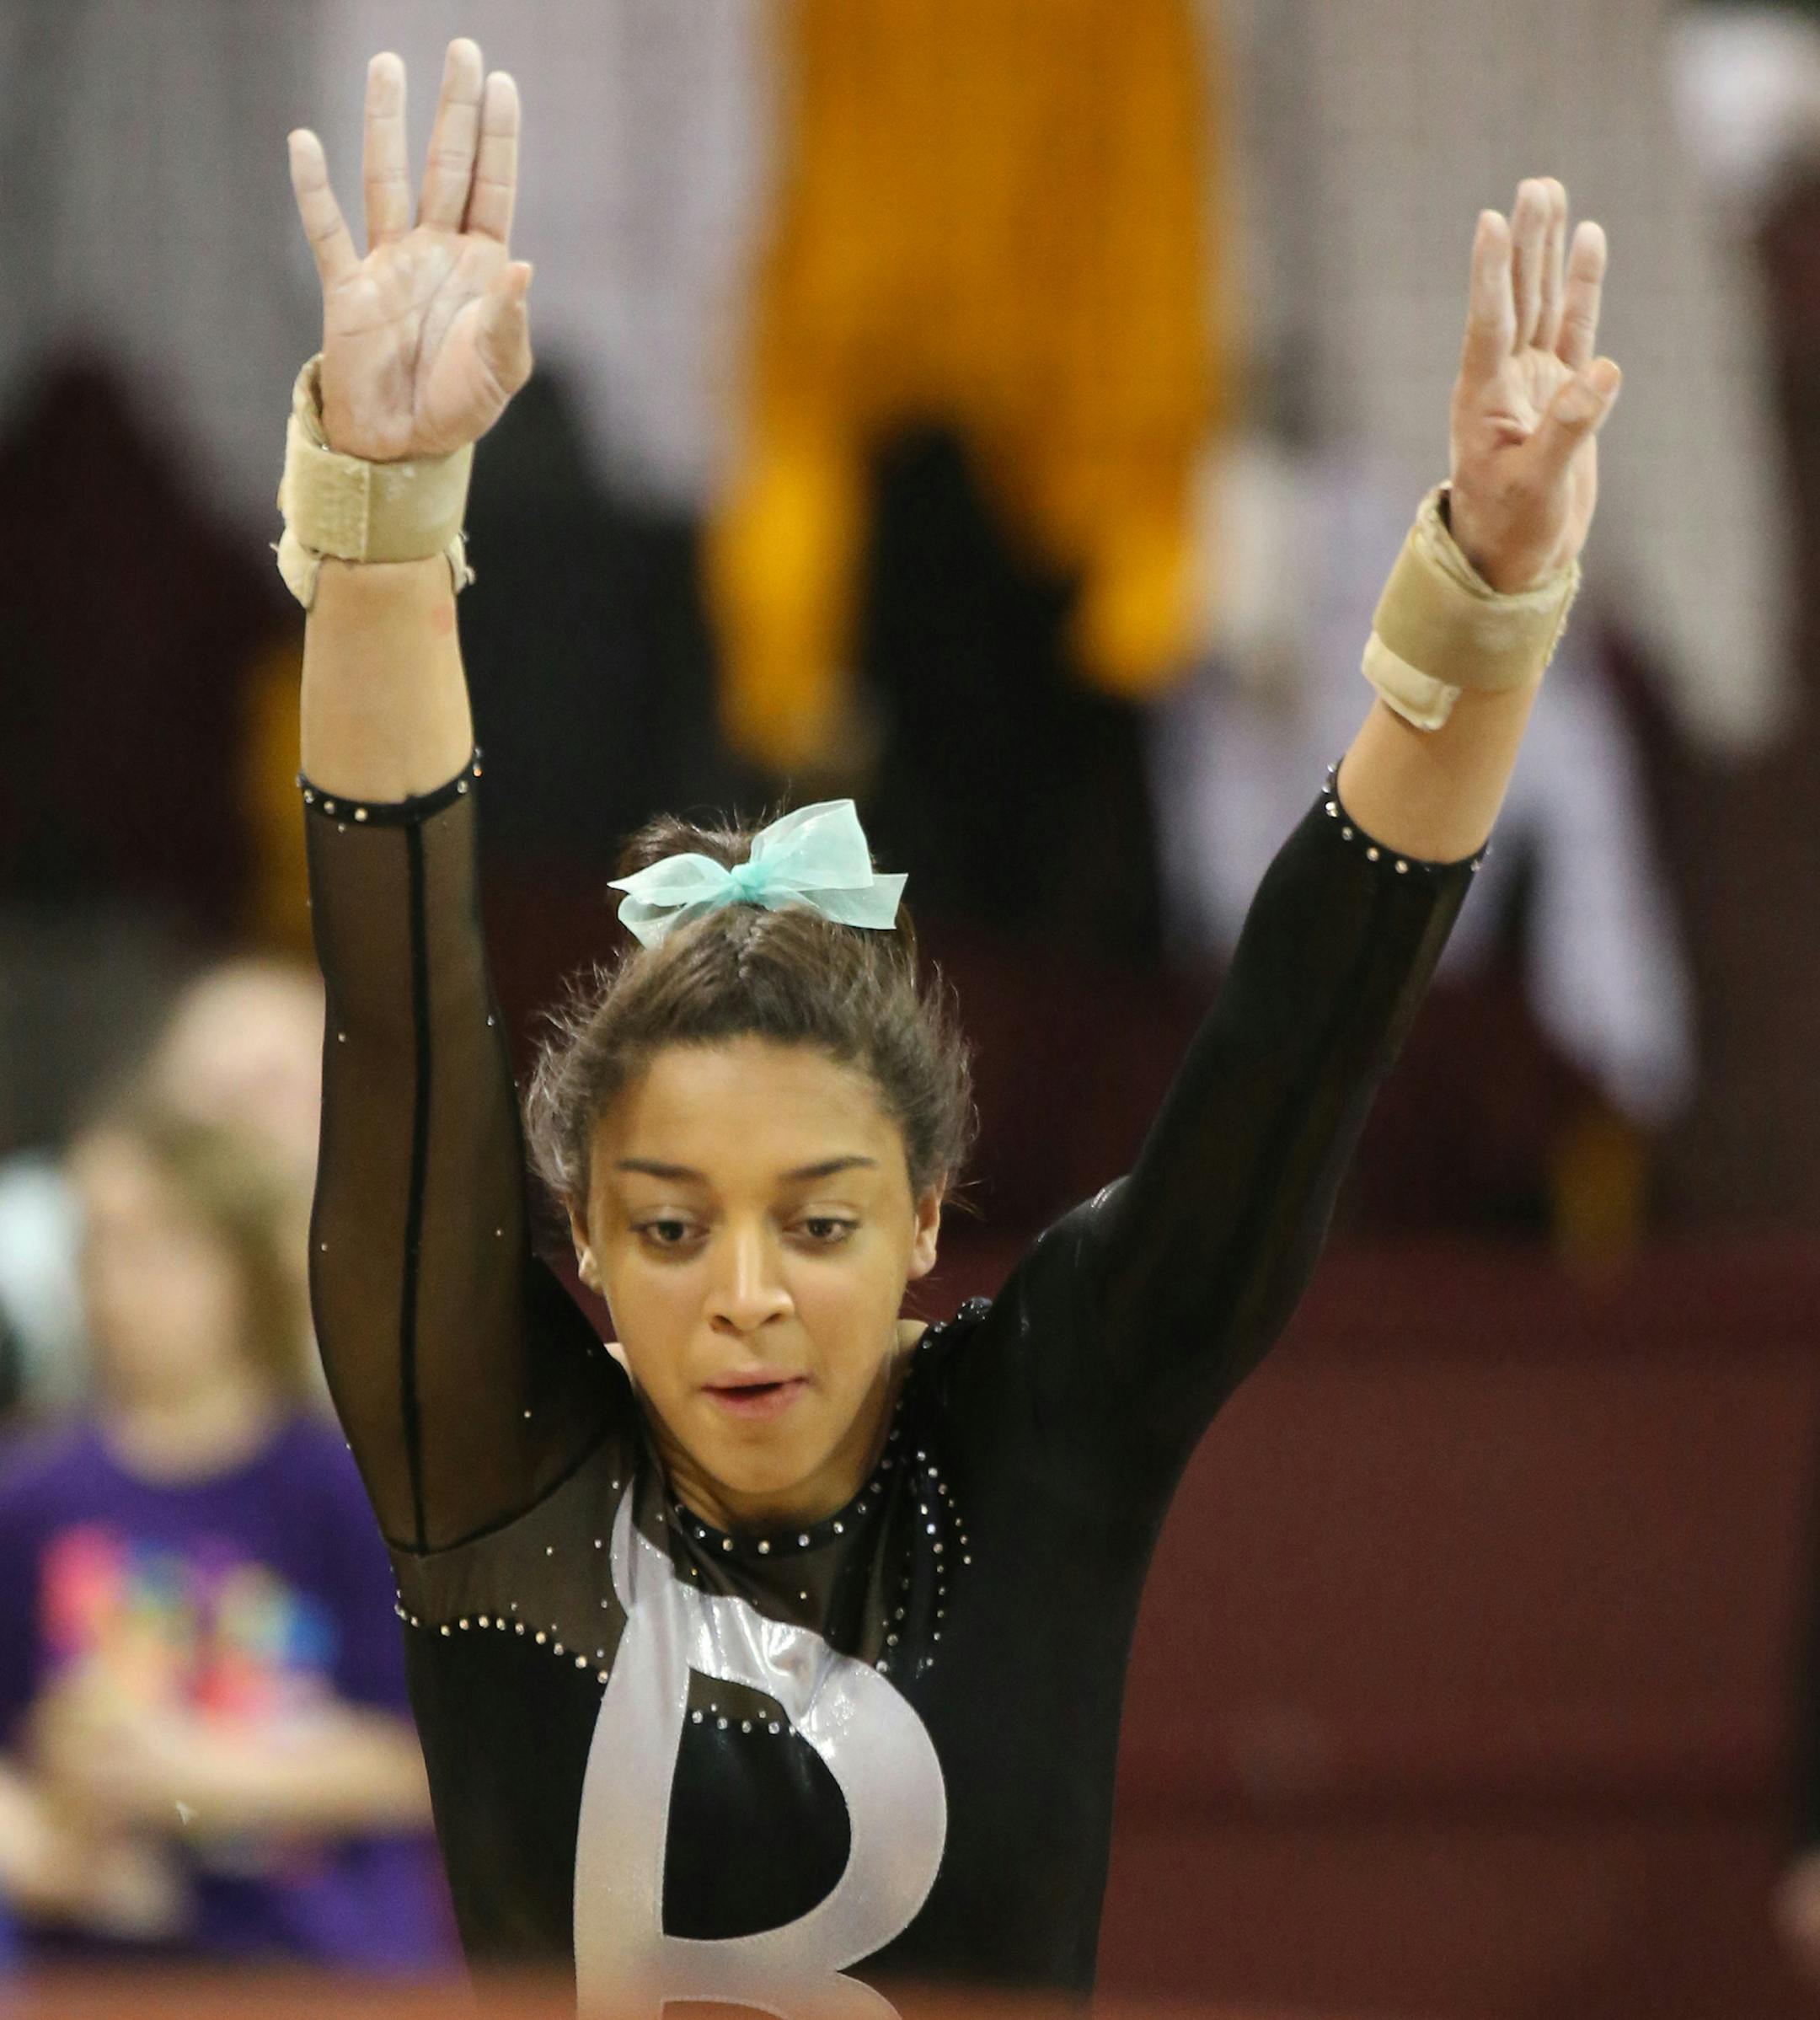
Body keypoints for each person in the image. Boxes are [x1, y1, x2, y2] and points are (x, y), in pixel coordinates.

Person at [281, 37, 1621, 2014]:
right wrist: (386, 522)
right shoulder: (489, 1464)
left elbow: (1293, 1048)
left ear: (924, 1224)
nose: (743, 1293)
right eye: (668, 1227)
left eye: (815, 1222)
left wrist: (1479, 611)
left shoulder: (1040, 1443)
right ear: (575, 1244)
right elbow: (400, 1005)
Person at [0, 1101, 450, 1971]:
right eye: (97, 1245)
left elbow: (431, 1762)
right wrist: (34, 1848)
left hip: (314, 1956)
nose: (117, 1284)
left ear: (247, 1266)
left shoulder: (345, 1493)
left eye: (161, 1245)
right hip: (89, 1958)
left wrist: (203, 1775)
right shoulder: (30, 1495)